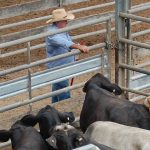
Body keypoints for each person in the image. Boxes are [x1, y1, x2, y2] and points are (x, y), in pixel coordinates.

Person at [45, 8, 89, 103]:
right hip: (58, 68)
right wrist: (78, 46)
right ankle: (66, 112)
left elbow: (67, 43)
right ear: (58, 21)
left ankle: (55, 110)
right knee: (64, 92)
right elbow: (63, 42)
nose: (67, 22)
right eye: (65, 20)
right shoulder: (52, 33)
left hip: (62, 66)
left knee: (57, 90)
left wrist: (76, 48)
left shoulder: (61, 29)